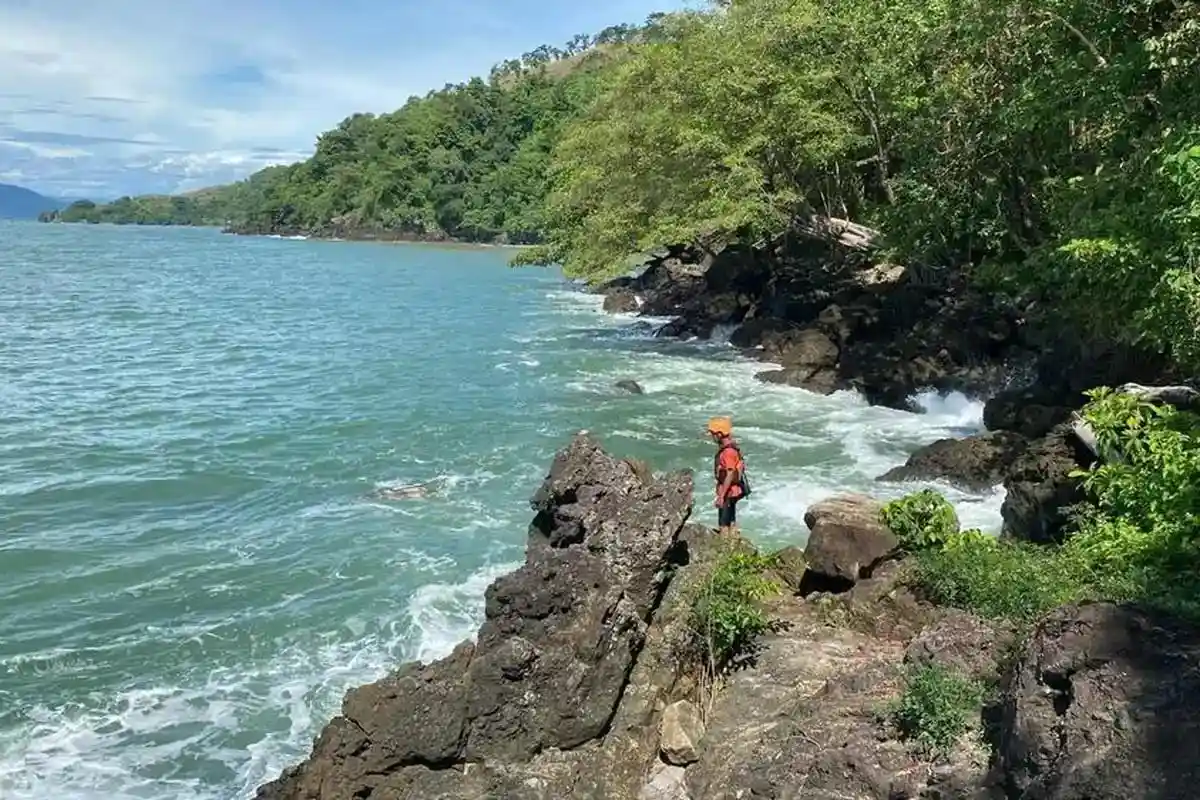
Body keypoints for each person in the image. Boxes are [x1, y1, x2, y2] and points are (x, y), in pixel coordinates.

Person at [707, 416, 748, 535]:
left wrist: (721, 496)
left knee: (724, 523)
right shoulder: (731, 447)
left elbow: (729, 474)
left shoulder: (727, 452)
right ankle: (733, 539)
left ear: (719, 434)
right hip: (733, 490)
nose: (712, 437)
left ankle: (726, 544)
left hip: (728, 492)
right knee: (731, 519)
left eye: (713, 434)